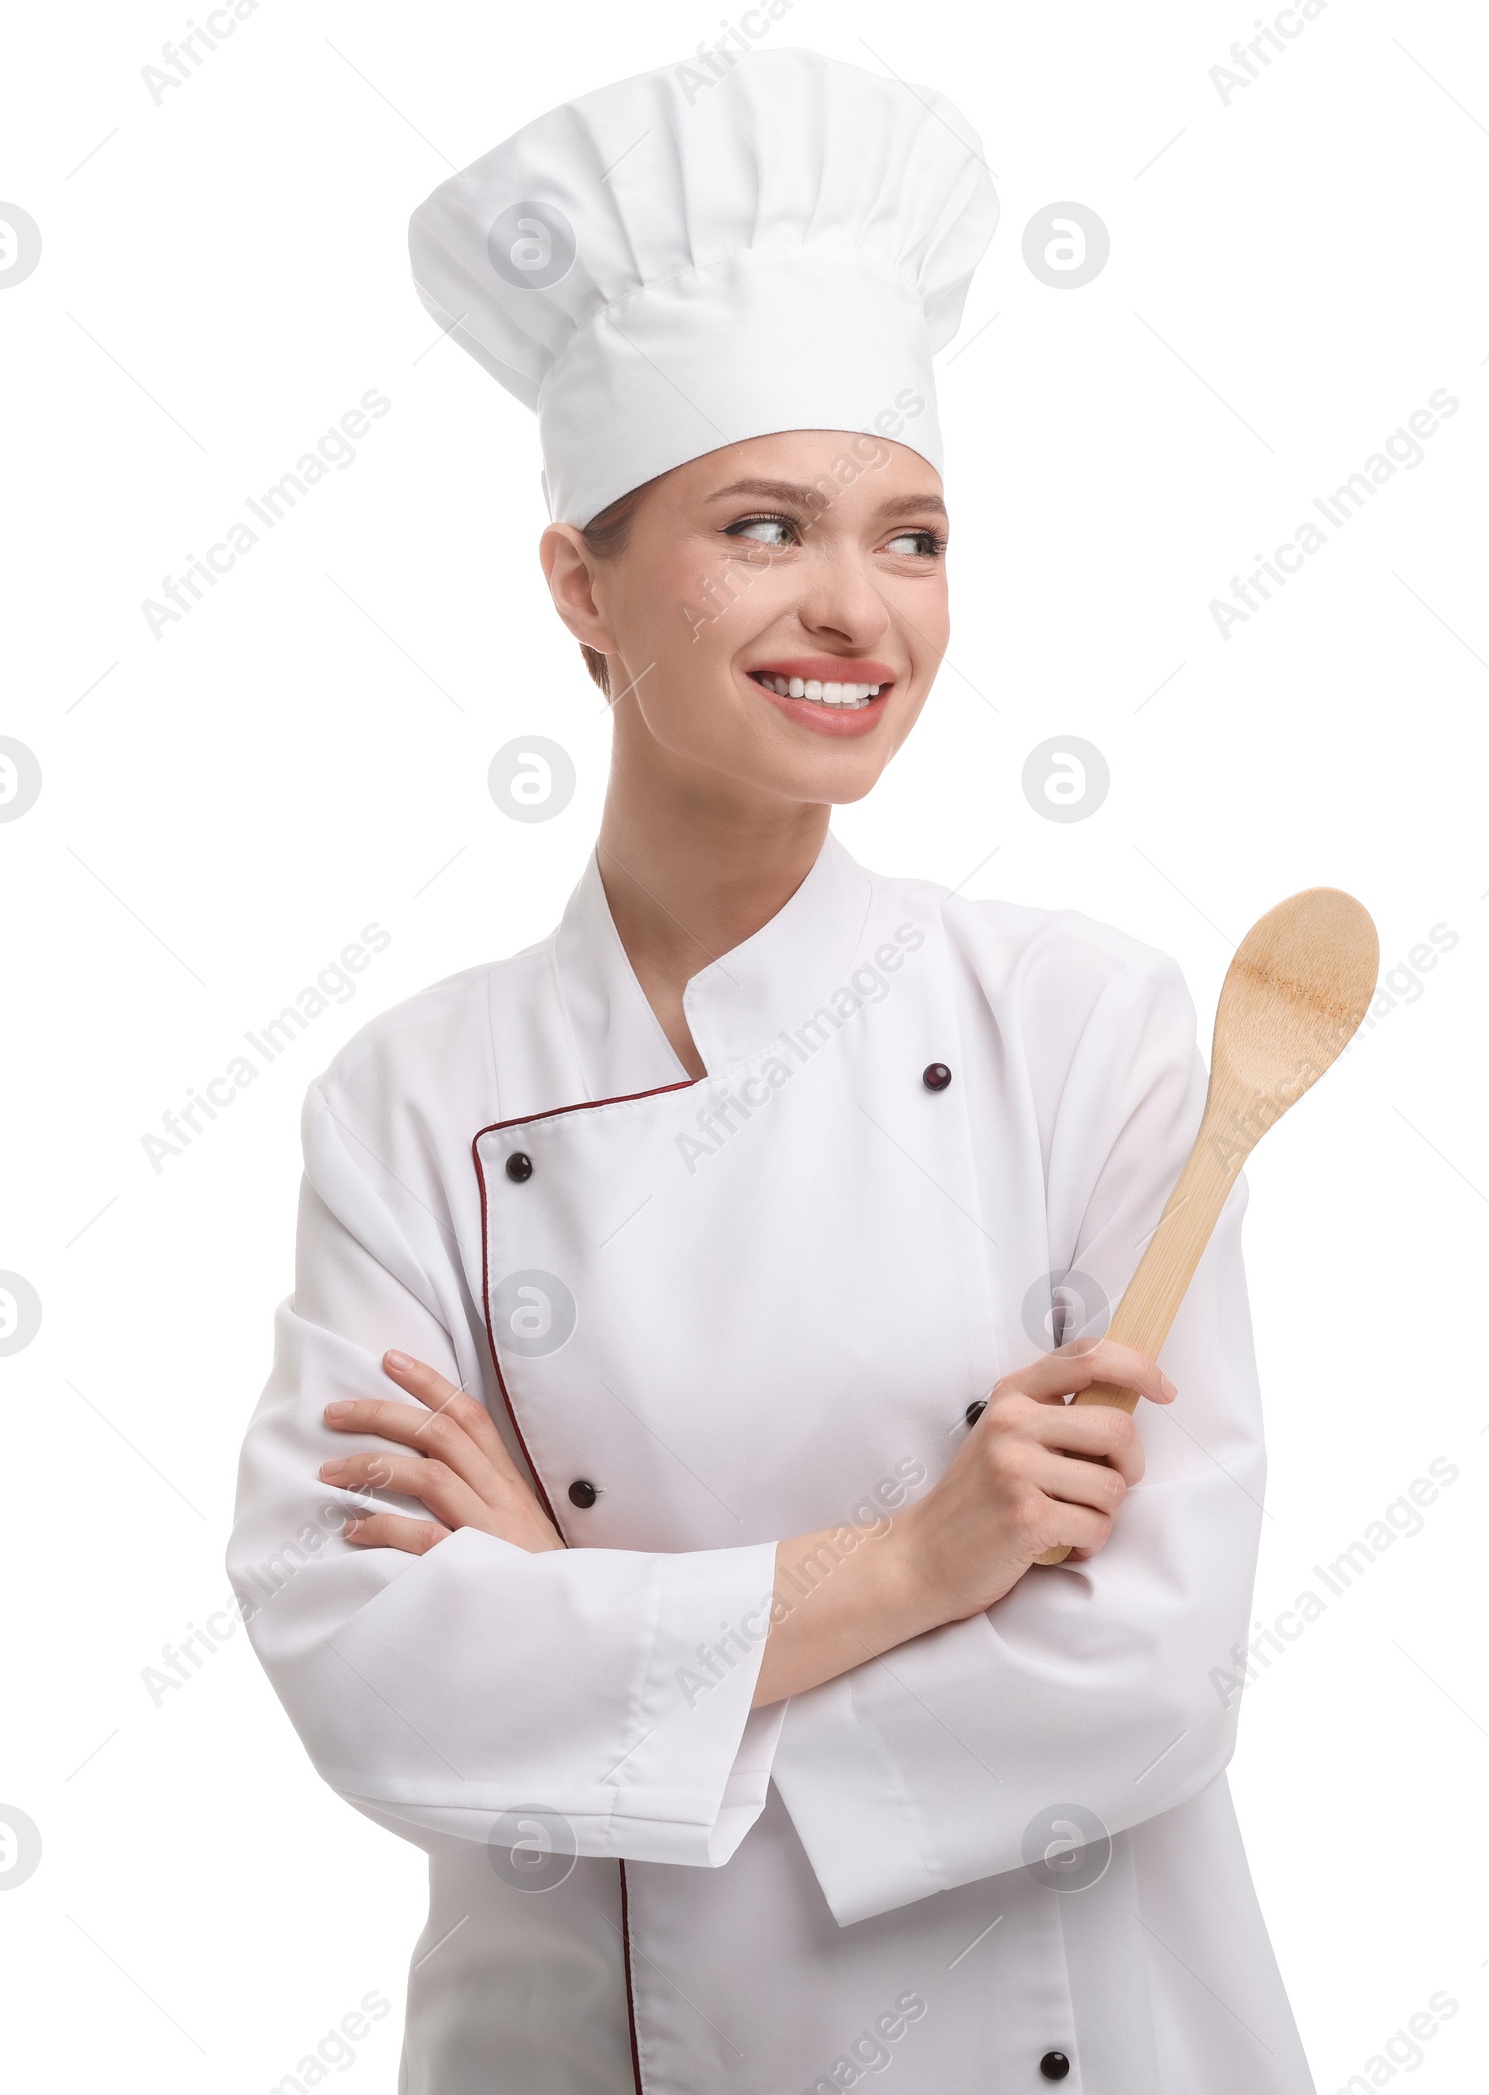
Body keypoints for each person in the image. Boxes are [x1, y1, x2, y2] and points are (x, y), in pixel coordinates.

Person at [229, 46, 1314, 2095]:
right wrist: (908, 1568)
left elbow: (1145, 1676)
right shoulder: (413, 1099)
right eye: (764, 524)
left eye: (909, 538)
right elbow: (364, 1666)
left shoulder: (1084, 1031)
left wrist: (588, 1639)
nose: (856, 611)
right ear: (579, 583)